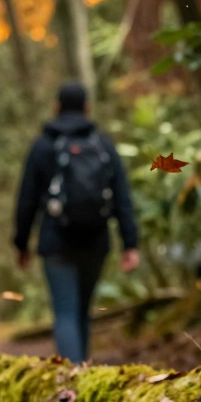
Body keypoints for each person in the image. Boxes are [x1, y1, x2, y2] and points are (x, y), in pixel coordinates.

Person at [13, 82, 140, 363]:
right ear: (87, 108)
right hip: (96, 241)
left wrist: (21, 244)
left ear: (56, 107)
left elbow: (27, 199)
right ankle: (82, 372)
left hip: (55, 241)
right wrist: (130, 243)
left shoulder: (43, 146)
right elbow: (122, 196)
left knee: (65, 312)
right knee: (83, 310)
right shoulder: (103, 144)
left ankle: (71, 379)